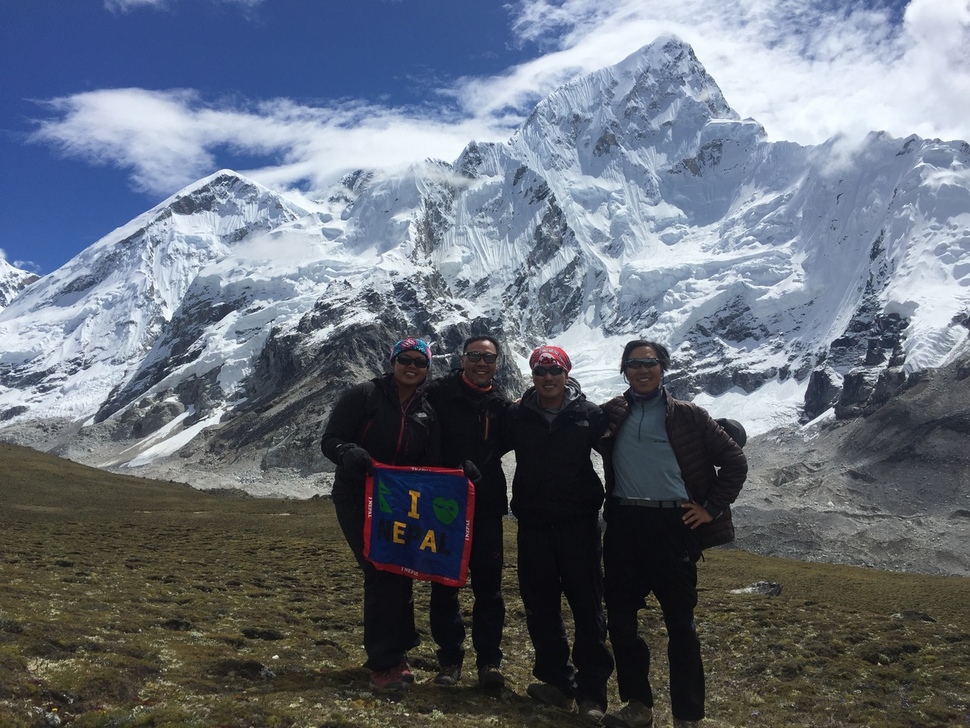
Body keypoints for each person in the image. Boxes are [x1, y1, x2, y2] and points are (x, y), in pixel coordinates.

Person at [597, 340, 747, 728]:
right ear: (624, 370)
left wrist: (710, 509)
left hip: (674, 525)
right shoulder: (613, 411)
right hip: (625, 524)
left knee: (680, 623)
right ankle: (637, 705)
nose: (642, 371)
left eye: (650, 363)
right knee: (620, 619)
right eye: (633, 364)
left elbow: (734, 461)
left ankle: (688, 716)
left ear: (663, 368)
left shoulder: (690, 415)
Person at [320, 337, 441, 692]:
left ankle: (397, 651)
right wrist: (347, 452)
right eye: (405, 359)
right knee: (379, 571)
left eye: (420, 362)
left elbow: (432, 464)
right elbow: (331, 438)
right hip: (357, 496)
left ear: (426, 368)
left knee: (400, 571)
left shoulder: (427, 411)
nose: (412, 366)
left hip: (401, 503)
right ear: (393, 361)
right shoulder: (364, 395)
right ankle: (382, 663)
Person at [504, 344, 615, 725]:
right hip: (533, 525)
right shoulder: (518, 414)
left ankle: (592, 694)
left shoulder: (590, 414)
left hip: (578, 526)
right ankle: (557, 684)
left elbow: (623, 450)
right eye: (540, 371)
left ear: (566, 373)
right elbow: (484, 443)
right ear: (532, 375)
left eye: (554, 370)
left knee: (588, 608)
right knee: (541, 608)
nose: (547, 377)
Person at [424, 335, 510, 690]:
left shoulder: (501, 405)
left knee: (489, 588)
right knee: (444, 585)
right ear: (462, 359)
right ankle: (449, 661)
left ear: (496, 364)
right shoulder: (438, 394)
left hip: (487, 507)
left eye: (488, 358)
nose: (480, 362)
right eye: (474, 355)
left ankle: (489, 662)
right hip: (444, 506)